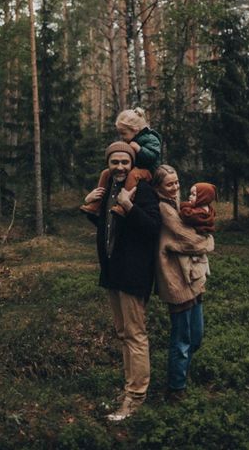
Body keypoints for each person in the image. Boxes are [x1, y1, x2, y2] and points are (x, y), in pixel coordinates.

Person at [83, 141, 161, 421]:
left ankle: (136, 398)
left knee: (136, 335)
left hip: (134, 274)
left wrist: (129, 206)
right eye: (114, 162)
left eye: (124, 163)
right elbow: (110, 228)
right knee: (123, 333)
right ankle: (129, 389)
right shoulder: (109, 190)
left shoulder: (143, 191)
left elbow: (153, 228)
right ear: (109, 164)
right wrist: (93, 202)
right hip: (113, 272)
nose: (119, 167)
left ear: (131, 164)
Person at [152, 165, 214, 401]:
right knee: (182, 338)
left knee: (196, 335)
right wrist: (208, 241)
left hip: (192, 279)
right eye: (170, 184)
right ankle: (176, 389)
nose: (176, 187)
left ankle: (182, 376)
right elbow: (188, 238)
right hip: (175, 281)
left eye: (177, 182)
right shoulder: (164, 208)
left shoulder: (178, 204)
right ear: (159, 188)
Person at [80, 108, 162, 217]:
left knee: (133, 174)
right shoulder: (132, 139)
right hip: (136, 168)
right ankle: (95, 204)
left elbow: (152, 157)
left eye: (123, 134)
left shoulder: (151, 138)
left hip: (149, 171)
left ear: (135, 129)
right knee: (105, 172)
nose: (122, 137)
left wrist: (139, 149)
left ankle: (122, 206)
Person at [178, 182, 217, 286]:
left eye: (194, 195)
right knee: (202, 258)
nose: (190, 197)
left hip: (196, 238)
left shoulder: (198, 212)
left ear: (203, 197)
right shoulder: (209, 209)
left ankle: (188, 278)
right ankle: (205, 270)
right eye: (191, 194)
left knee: (186, 261)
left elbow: (185, 214)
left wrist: (184, 204)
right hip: (203, 237)